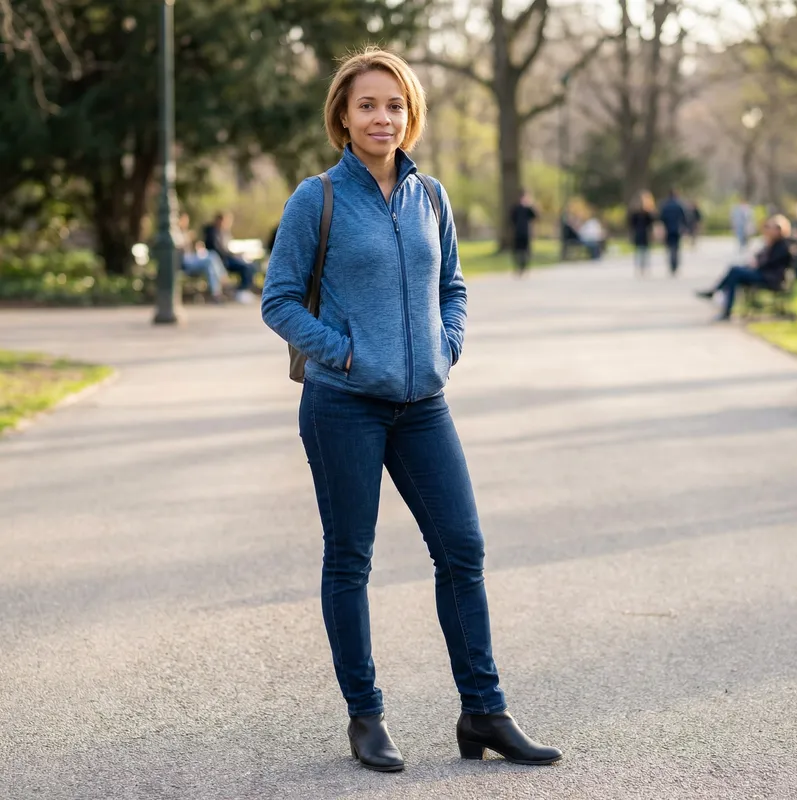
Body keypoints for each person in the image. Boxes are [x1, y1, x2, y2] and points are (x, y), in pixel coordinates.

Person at [261, 47, 562, 773]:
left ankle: (483, 710)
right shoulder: (317, 198)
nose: (382, 117)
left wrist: (446, 345)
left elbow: (453, 286)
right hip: (344, 408)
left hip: (424, 404)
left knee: (462, 549)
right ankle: (365, 717)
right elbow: (278, 300)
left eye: (394, 105)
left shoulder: (431, 197)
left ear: (410, 114)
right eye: (367, 104)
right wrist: (348, 354)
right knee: (351, 559)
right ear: (342, 114)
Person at [695, 215, 793, 321]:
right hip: (764, 274)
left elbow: (770, 263)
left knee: (735, 271)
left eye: (771, 228)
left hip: (771, 278)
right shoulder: (772, 243)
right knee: (734, 274)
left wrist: (757, 264)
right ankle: (723, 305)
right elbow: (759, 258)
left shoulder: (783, 246)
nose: (768, 231)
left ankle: (719, 298)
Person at [204, 212, 257, 304]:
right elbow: (217, 250)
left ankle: (243, 289)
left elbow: (227, 248)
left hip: (228, 257)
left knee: (252, 265)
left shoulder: (225, 233)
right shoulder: (212, 233)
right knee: (246, 267)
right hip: (222, 260)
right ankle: (240, 291)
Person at [177, 212, 228, 302]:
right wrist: (187, 239)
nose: (186, 222)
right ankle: (223, 279)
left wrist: (197, 247)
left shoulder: (185, 233)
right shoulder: (176, 233)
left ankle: (216, 293)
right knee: (210, 257)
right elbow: (180, 250)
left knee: (210, 264)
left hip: (191, 258)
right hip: (185, 261)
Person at [659, 189, 688, 276]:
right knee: (676, 248)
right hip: (677, 229)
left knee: (670, 247)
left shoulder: (665, 205)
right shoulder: (679, 205)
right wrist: (685, 228)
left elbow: (661, 218)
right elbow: (684, 217)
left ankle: (671, 264)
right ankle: (675, 264)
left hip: (668, 229)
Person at [509, 190, 538, 275]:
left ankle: (524, 267)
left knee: (526, 251)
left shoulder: (528, 209)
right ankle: (518, 267)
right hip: (518, 232)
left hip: (526, 232)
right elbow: (511, 219)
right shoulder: (516, 208)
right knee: (517, 251)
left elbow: (535, 216)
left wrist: (532, 205)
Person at [627, 191, 656, 275]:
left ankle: (643, 268)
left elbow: (651, 222)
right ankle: (641, 268)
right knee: (641, 251)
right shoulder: (636, 213)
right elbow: (632, 224)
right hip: (641, 233)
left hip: (644, 233)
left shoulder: (647, 213)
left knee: (643, 251)